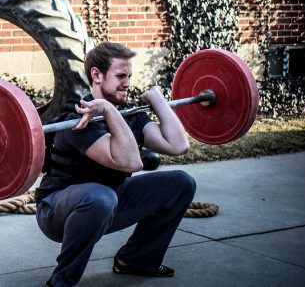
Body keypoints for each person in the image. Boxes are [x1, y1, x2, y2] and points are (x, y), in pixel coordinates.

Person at [35, 42, 196, 286]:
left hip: (107, 202)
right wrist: (109, 111)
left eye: (129, 76)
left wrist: (158, 100)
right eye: (121, 76)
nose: (128, 82)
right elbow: (130, 162)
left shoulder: (128, 113)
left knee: (181, 183)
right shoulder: (78, 116)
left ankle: (137, 260)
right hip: (58, 210)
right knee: (101, 197)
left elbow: (177, 145)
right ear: (97, 75)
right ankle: (61, 281)